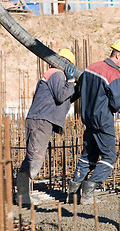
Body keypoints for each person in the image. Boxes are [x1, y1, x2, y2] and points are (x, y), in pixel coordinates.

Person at [67, 39, 120, 205]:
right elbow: (117, 103)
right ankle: (88, 189)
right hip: (103, 121)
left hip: (88, 118)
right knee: (109, 158)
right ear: (118, 55)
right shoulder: (114, 75)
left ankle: (73, 194)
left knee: (88, 156)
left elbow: (79, 90)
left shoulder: (91, 68)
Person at [16, 48, 76, 205]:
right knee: (35, 157)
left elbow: (64, 99)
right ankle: (22, 196)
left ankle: (23, 194)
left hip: (41, 120)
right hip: (40, 120)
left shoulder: (54, 75)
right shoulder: (56, 73)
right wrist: (70, 82)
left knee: (33, 156)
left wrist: (72, 88)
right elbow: (61, 96)